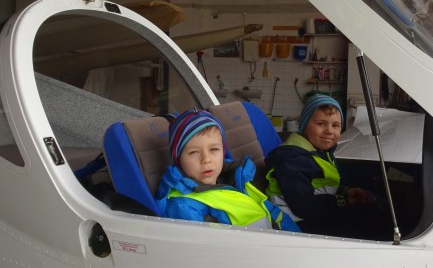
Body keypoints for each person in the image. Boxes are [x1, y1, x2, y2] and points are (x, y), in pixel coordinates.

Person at [264, 94, 390, 239]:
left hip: (314, 212)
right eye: (321, 124)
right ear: (304, 126)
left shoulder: (320, 153)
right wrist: (343, 201)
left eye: (335, 125)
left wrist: (345, 191)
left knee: (371, 201)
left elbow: (321, 186)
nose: (329, 130)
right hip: (295, 224)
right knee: (368, 219)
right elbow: (304, 206)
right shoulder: (293, 160)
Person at [155, 109, 300, 232]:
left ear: (223, 152)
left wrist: (298, 239)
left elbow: (274, 214)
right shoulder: (183, 206)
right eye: (194, 152)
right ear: (178, 159)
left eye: (214, 149)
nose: (206, 159)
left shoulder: (237, 180)